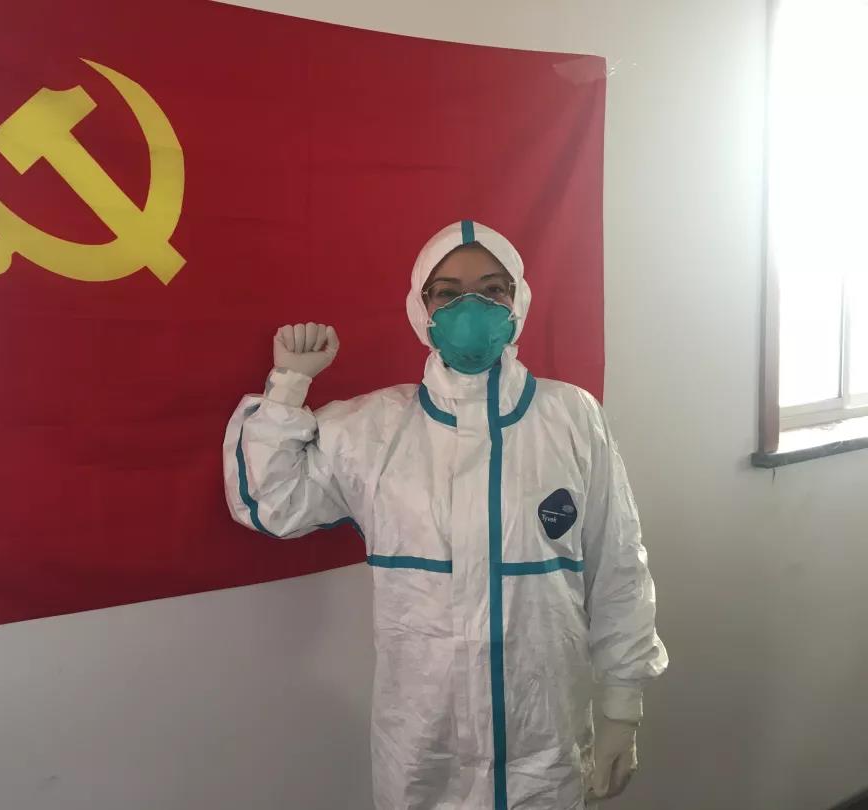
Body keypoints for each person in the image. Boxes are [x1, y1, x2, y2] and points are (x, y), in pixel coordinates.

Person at [223, 220, 668, 810]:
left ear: (518, 300)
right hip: (424, 750)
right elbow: (271, 503)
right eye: (448, 293)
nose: (471, 308)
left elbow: (618, 566)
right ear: (421, 308)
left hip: (544, 741)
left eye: (492, 289)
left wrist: (622, 705)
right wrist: (287, 386)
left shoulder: (571, 418)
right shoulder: (374, 430)